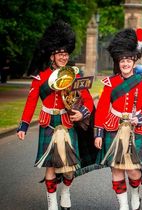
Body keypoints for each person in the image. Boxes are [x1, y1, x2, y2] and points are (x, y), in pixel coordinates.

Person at [16, 20, 94, 210]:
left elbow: (89, 101)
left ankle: (65, 193)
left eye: (66, 53)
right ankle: (52, 202)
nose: (63, 57)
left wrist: (81, 112)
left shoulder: (74, 75)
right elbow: (31, 101)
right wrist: (24, 125)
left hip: (67, 123)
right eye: (60, 53)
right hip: (49, 122)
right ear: (52, 55)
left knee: (69, 171)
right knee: (50, 167)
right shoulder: (41, 77)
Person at [94, 28, 142, 210]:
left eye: (128, 60)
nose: (125, 63)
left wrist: (139, 117)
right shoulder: (110, 83)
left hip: (135, 129)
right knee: (116, 168)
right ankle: (123, 205)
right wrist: (98, 133)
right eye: (122, 60)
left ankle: (135, 194)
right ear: (119, 61)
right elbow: (101, 110)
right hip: (113, 128)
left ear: (134, 61)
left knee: (133, 170)